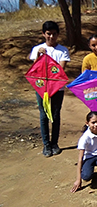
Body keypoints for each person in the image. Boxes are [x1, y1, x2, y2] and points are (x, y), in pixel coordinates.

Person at [29, 21, 70, 157]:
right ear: (43, 34)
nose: (51, 37)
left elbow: (60, 69)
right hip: (41, 88)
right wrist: (40, 56)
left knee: (56, 114)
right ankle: (46, 144)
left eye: (54, 34)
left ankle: (55, 143)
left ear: (58, 34)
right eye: (48, 34)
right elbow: (34, 69)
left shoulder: (63, 50)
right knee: (44, 115)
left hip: (57, 87)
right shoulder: (37, 49)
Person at [71, 111, 97, 193]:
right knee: (86, 176)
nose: (96, 125)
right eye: (93, 122)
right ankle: (88, 170)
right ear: (87, 123)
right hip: (88, 157)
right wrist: (78, 179)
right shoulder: (84, 138)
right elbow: (80, 159)